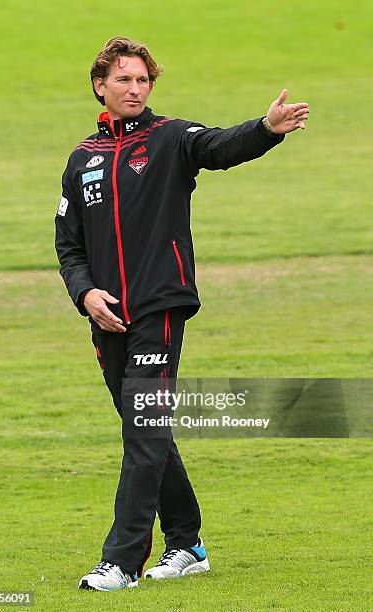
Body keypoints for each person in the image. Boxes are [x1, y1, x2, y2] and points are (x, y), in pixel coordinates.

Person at [55, 36, 309, 592]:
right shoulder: (83, 159)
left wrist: (265, 129)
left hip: (160, 304)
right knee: (145, 427)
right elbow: (68, 244)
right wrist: (86, 294)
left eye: (143, 79)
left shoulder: (170, 137)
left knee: (143, 427)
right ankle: (188, 543)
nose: (135, 88)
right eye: (123, 79)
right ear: (100, 85)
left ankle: (121, 562)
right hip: (107, 315)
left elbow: (219, 146)